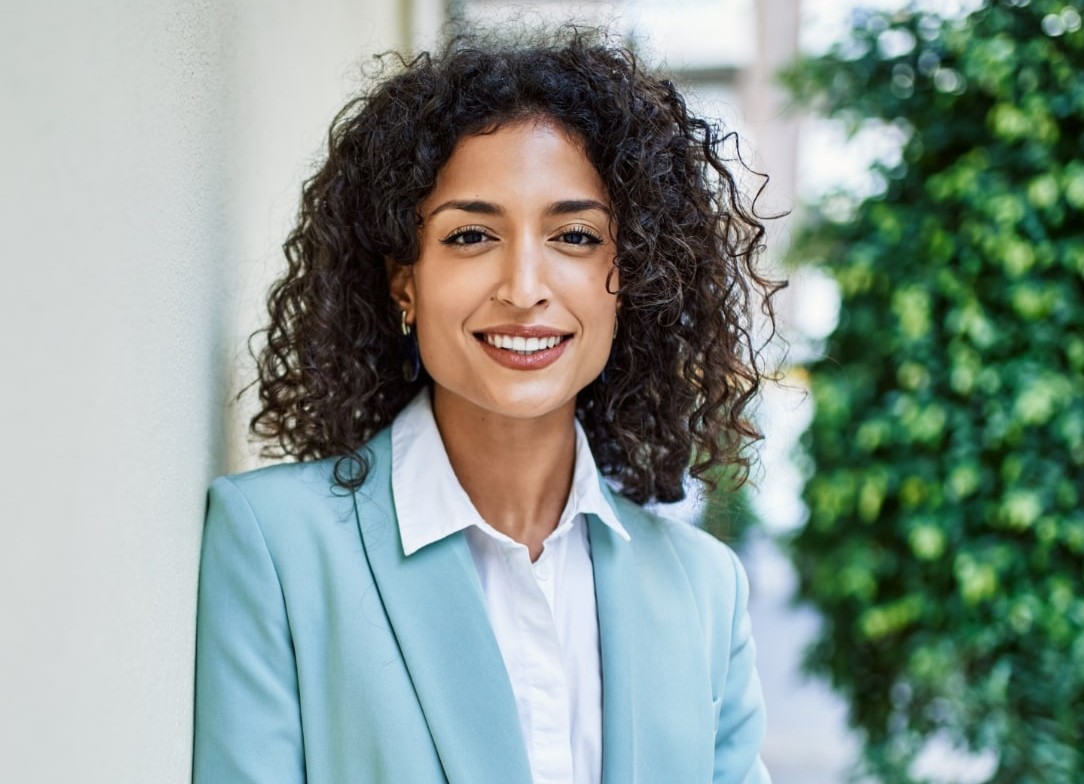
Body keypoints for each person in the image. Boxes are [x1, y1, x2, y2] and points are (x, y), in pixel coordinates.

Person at [193, 26, 779, 784]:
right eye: (471, 235)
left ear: (632, 277)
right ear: (404, 280)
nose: (524, 287)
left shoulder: (704, 591)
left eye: (574, 236)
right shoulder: (276, 547)